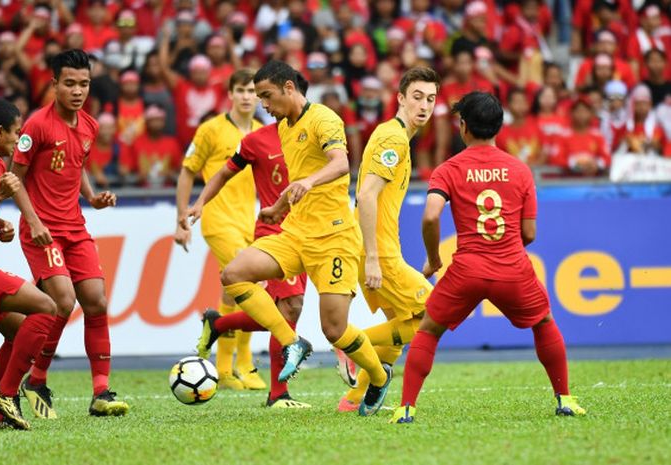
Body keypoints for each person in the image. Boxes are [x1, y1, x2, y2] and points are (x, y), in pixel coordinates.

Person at [390, 91, 586, 424]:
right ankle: (564, 399)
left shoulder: (448, 170)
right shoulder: (520, 170)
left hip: (466, 269)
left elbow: (430, 217)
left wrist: (434, 259)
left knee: (428, 331)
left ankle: (406, 408)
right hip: (512, 267)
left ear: (463, 126)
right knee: (543, 323)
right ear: (499, 126)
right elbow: (530, 234)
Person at [218, 60, 392, 416]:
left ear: (288, 88)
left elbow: (341, 163)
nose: (262, 105)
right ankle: (293, 341)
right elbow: (297, 177)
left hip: (334, 237)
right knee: (234, 274)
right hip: (295, 231)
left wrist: (309, 182)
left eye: (266, 96)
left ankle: (377, 375)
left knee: (335, 328)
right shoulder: (284, 126)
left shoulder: (324, 119)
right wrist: (278, 207)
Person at [10, 49, 129, 419]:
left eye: (84, 84)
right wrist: (33, 221)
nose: (78, 91)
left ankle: (101, 393)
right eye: (70, 83)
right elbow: (15, 179)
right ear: (54, 84)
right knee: (63, 300)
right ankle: (37, 377)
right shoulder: (36, 126)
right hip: (42, 230)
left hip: (74, 227)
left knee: (96, 301)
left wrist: (92, 196)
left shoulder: (90, 126)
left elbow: (77, 165)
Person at [186, 72, 311, 409]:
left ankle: (220, 323)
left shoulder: (314, 131)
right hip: (274, 231)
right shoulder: (256, 139)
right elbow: (223, 173)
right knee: (291, 309)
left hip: (309, 231)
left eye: (265, 96)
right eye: (260, 97)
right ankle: (278, 394)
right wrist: (198, 204)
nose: (264, 104)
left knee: (283, 310)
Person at [335, 67, 439, 412]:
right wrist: (376, 258)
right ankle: (353, 346)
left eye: (431, 99)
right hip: (375, 251)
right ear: (400, 99)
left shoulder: (395, 137)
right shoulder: (393, 139)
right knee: (435, 311)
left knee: (399, 326)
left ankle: (354, 400)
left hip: (374, 246)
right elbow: (365, 196)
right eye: (417, 97)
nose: (424, 106)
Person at [174, 68, 265, 391]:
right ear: (229, 94)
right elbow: (187, 173)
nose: (246, 96)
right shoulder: (210, 130)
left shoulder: (261, 131)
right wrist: (181, 220)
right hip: (217, 221)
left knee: (233, 290)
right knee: (250, 284)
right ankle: (240, 365)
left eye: (252, 91)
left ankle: (227, 365)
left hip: (248, 222)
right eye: (240, 90)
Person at [0, 99, 57, 431]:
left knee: (20, 331)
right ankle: (5, 395)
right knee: (46, 306)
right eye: (16, 132)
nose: (19, 137)